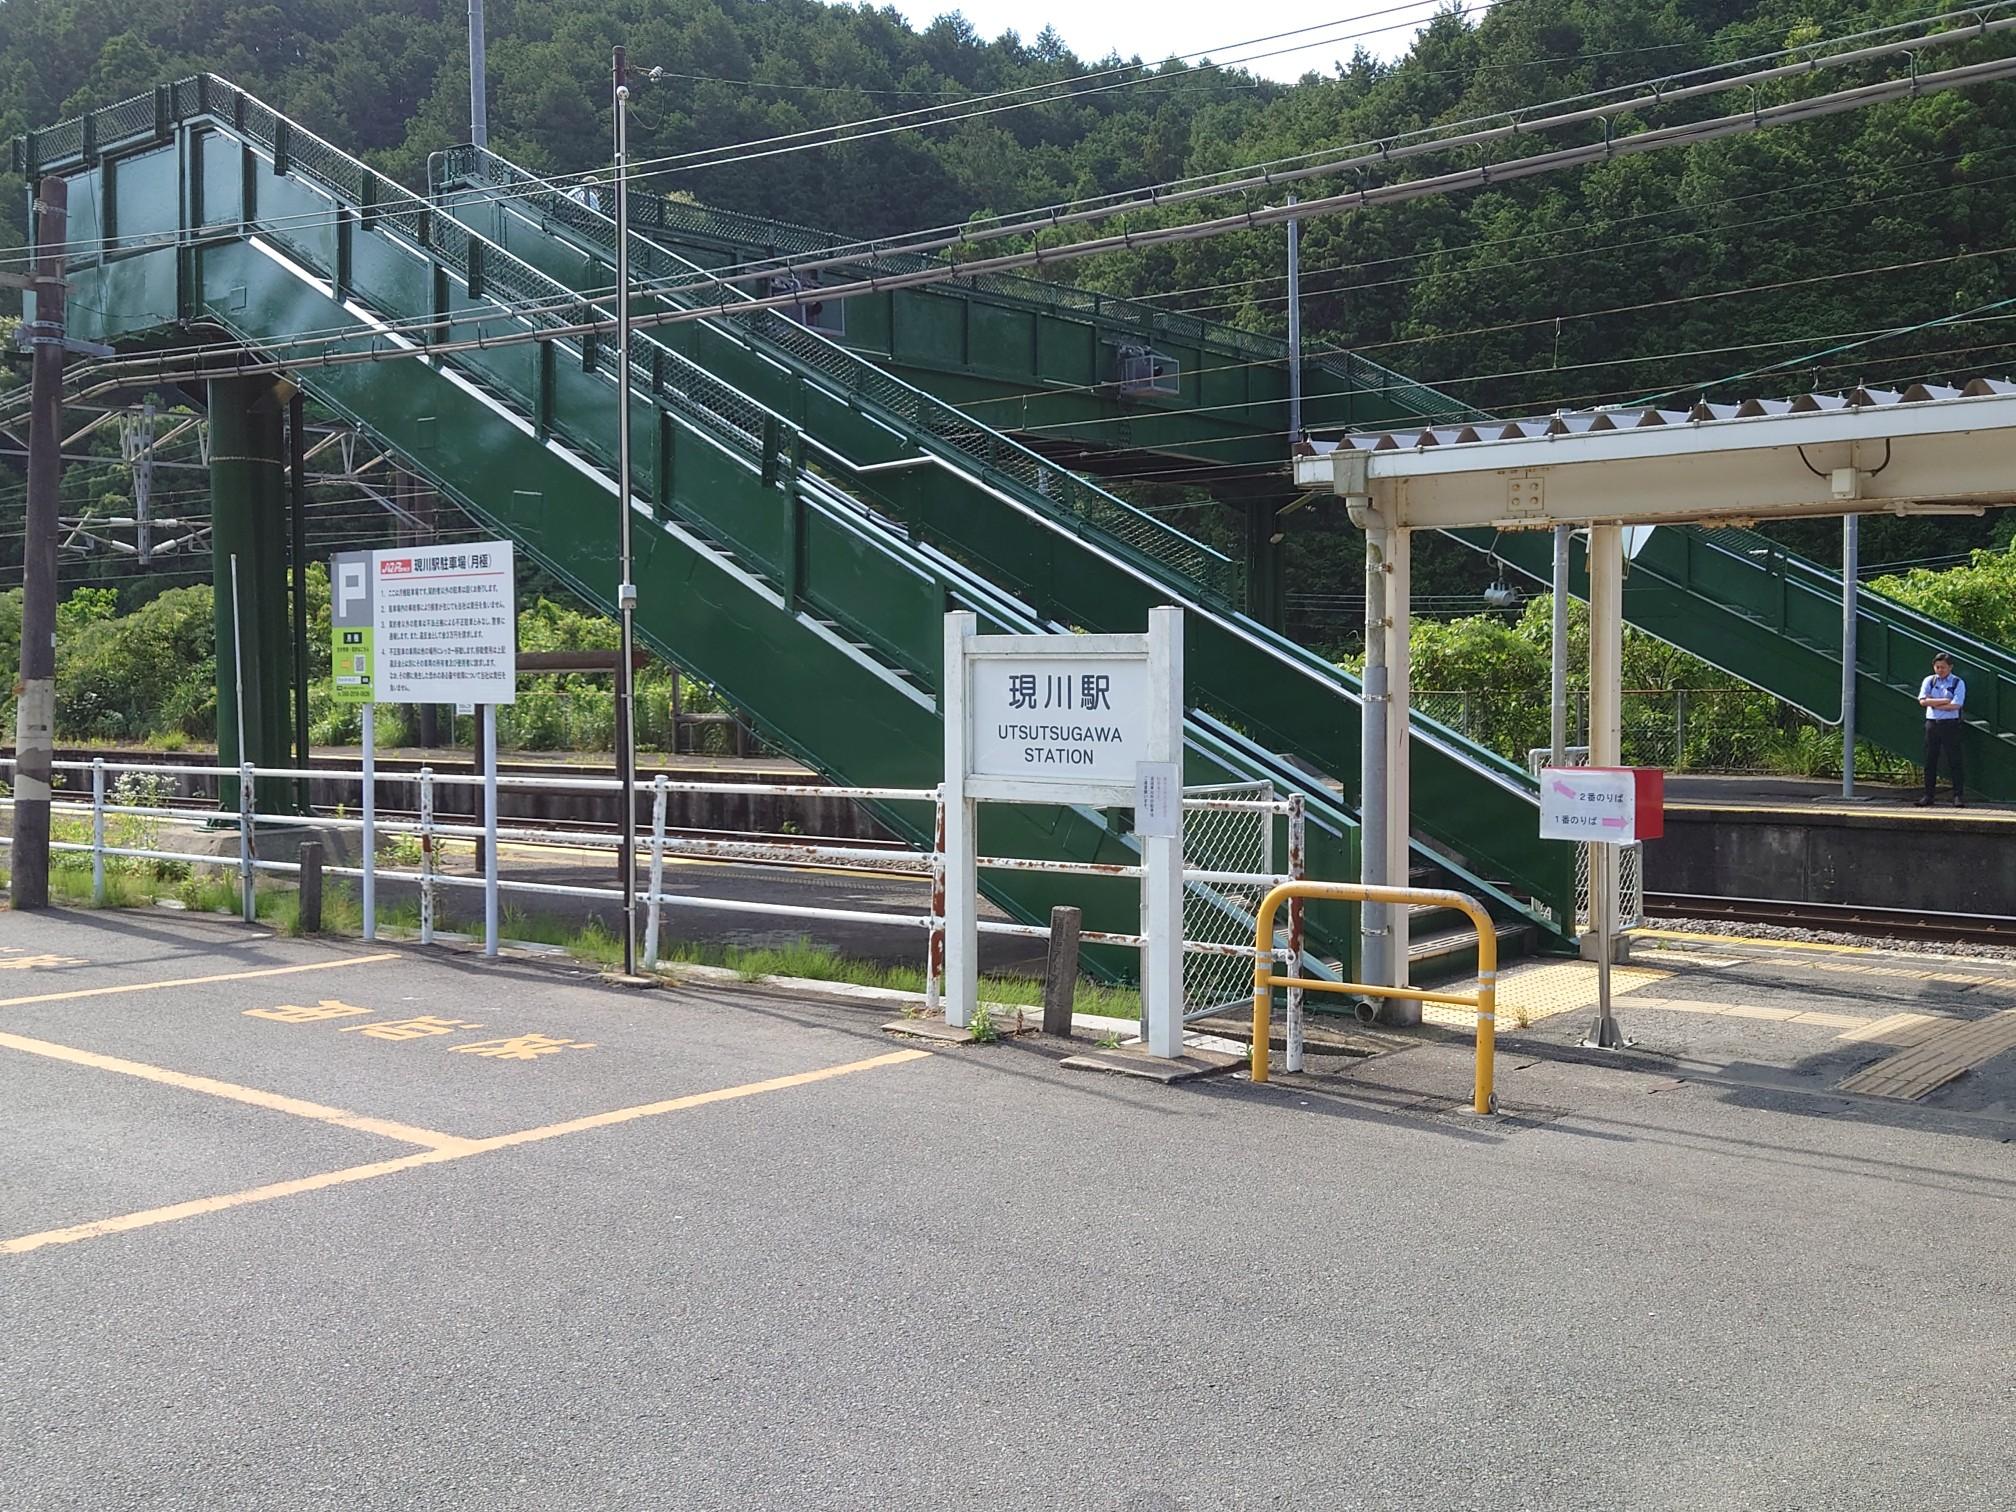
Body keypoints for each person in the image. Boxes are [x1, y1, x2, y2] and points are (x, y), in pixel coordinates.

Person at [1917, 651, 1967, 806]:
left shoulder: (1957, 682)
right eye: (1937, 667)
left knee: (1954, 760)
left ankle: (1958, 796)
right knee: (1930, 760)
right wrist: (1945, 701)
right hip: (1932, 723)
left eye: (1943, 667)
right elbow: (1923, 701)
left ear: (1950, 667)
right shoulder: (1929, 680)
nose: (1940, 670)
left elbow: (1956, 705)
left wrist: (1934, 702)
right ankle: (1928, 796)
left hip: (1950, 724)